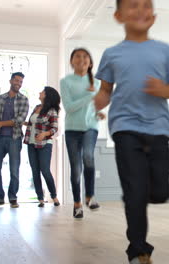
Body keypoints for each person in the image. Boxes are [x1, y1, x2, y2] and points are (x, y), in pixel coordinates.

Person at [94, 0, 169, 263]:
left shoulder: (164, 51)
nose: (141, 10)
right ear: (119, 16)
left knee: (160, 192)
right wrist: (99, 101)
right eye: (133, 5)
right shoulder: (111, 54)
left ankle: (139, 189)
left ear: (154, 17)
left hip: (158, 128)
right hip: (125, 126)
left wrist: (162, 89)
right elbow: (105, 91)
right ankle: (138, 249)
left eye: (146, 5)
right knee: (135, 192)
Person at [60, 48, 106, 219]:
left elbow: (95, 106)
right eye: (77, 56)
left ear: (90, 62)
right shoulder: (66, 82)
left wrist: (98, 112)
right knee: (76, 168)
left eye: (85, 56)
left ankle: (90, 196)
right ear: (72, 61)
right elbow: (69, 107)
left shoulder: (98, 83)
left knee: (88, 156)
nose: (81, 59)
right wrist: (89, 96)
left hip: (90, 127)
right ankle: (77, 203)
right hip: (72, 129)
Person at [0, 72, 30, 208]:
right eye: (16, 80)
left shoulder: (24, 99)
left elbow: (20, 120)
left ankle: (13, 198)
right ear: (10, 81)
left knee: (14, 170)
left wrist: (1, 124)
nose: (19, 83)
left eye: (21, 81)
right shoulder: (0, 98)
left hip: (14, 138)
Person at [24, 86, 61, 207]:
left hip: (45, 144)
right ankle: (40, 198)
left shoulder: (51, 110)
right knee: (35, 172)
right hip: (31, 143)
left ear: (47, 95)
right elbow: (32, 123)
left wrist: (45, 133)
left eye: (42, 91)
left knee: (45, 170)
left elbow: (54, 128)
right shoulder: (36, 108)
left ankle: (54, 196)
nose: (40, 92)